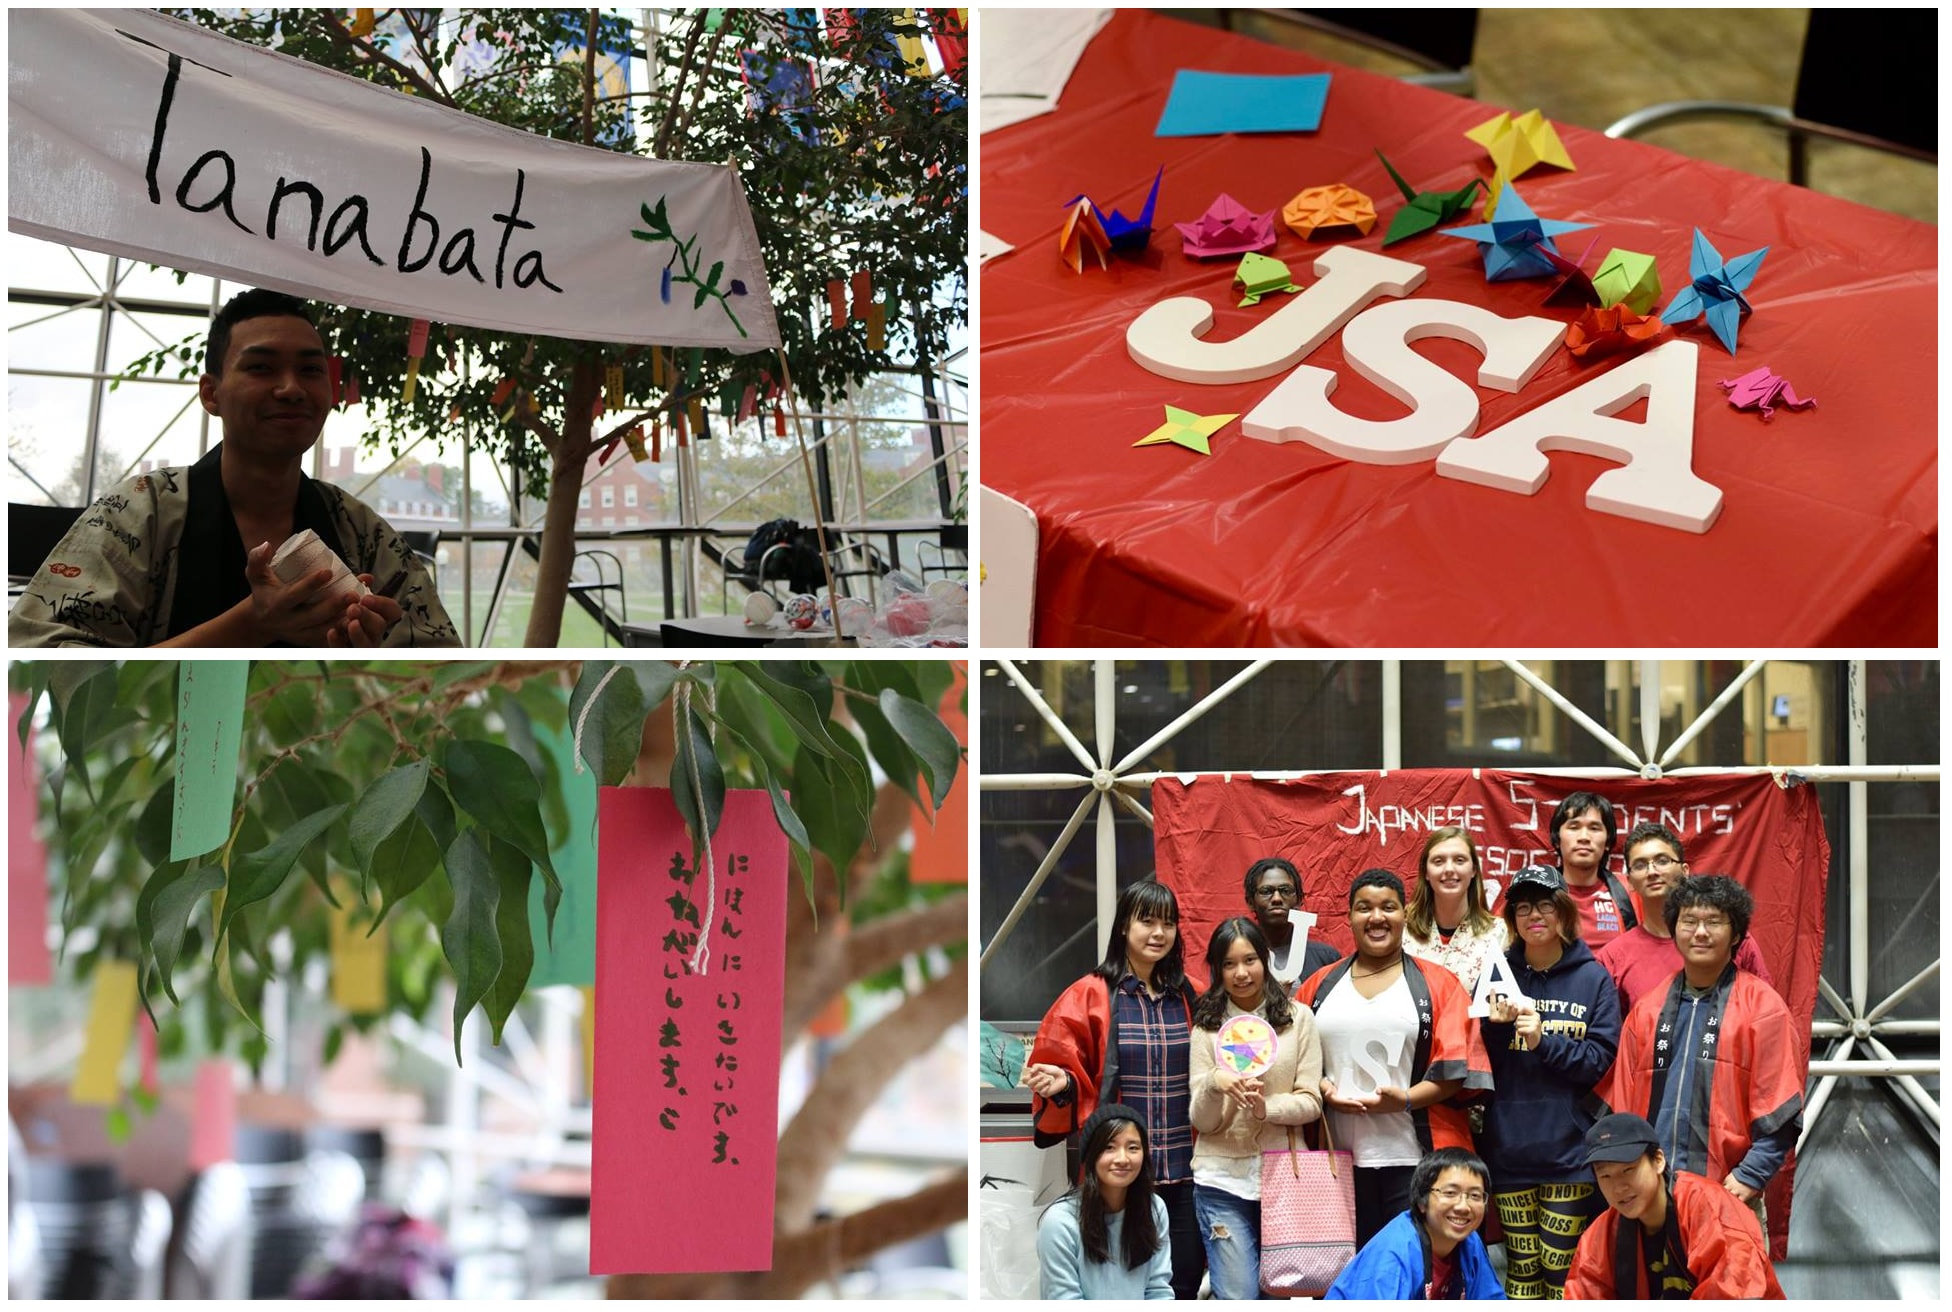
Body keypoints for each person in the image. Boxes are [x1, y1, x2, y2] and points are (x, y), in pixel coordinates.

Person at [10, 288, 458, 647]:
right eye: (261, 368)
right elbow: (37, 663)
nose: (291, 389)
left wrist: (373, 658)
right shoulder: (142, 512)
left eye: (311, 370)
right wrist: (252, 625)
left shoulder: (360, 531)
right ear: (212, 393)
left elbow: (442, 669)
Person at [1024, 880, 1204, 1299]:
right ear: (1124, 926)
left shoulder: (1191, 995)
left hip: (1186, 1172)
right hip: (1117, 1177)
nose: (1158, 933)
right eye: (1146, 921)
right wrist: (1063, 1082)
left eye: (1168, 923)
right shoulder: (1090, 994)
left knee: (1181, 1284)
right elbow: (1067, 1070)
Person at [1297, 870, 1493, 1247]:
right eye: (1364, 908)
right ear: (1349, 917)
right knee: (1348, 1273)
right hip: (1337, 1162)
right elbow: (1297, 1063)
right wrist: (1323, 1089)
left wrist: (1403, 1100)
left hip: (1415, 1160)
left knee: (1416, 1269)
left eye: (1388, 907)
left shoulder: (1438, 983)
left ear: (1405, 913)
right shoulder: (1318, 986)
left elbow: (1456, 1070)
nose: (1376, 917)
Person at [1594, 876, 1803, 1217]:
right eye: (1689, 922)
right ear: (1674, 931)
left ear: (1736, 935)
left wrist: (1749, 1176)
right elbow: (1623, 1111)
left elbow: (1781, 1109)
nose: (1700, 932)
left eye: (1714, 922)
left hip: (1729, 1197)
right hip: (1653, 1203)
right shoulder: (1647, 1010)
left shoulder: (1763, 1008)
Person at [1476, 866, 1622, 1299]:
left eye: (1543, 904)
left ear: (1562, 912)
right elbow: (1481, 1063)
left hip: (1570, 1152)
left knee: (1561, 1265)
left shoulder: (1593, 978)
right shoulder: (1498, 975)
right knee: (1522, 1268)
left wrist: (1543, 1040)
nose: (1533, 915)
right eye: (1522, 907)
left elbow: (1597, 1061)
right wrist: (1499, 1030)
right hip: (1510, 1149)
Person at [1188, 917, 1324, 1299]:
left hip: (1285, 1178)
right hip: (1221, 1179)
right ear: (1217, 970)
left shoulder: (1298, 1021)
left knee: (1287, 1294)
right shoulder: (1206, 1028)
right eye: (1229, 964)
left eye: (1250, 960)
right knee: (1239, 1295)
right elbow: (1201, 1121)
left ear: (1265, 961)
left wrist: (1267, 1107)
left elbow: (1312, 1101)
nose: (1241, 973)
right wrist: (1216, 1083)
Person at [1566, 1113, 1786, 1298]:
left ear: (1658, 1161)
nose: (1618, 1188)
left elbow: (1734, 1294)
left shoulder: (1709, 1207)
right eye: (1605, 1176)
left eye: (1628, 1170)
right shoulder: (1602, 1235)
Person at [1595, 822, 1775, 1015]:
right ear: (1629, 881)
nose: (1652, 872)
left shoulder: (1730, 938)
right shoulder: (1613, 957)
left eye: (1662, 861)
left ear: (1685, 871)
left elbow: (1766, 1013)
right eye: (1640, 865)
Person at [1324, 1147, 1506, 1300]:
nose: (1463, 1206)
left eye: (1475, 1196)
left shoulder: (1469, 1240)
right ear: (1421, 1201)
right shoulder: (1395, 1252)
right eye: (1450, 1193)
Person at [1037, 1103, 1174, 1300]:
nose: (1122, 1158)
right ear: (1091, 1155)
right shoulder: (1060, 1222)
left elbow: (1158, 1290)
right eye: (1109, 1147)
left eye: (1133, 1148)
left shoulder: (1154, 1208)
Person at [1403, 827, 1509, 997]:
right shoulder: (1402, 931)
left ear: (1474, 869)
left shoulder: (1500, 934)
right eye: (1438, 861)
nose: (1449, 869)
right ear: (1426, 873)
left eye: (1459, 860)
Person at [1548, 792, 1637, 947]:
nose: (1584, 837)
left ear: (1608, 842)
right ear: (1557, 839)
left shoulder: (1631, 889)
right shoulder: (1532, 890)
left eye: (1594, 828)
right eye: (1574, 827)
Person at [1242, 857, 1339, 984]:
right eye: (1266, 891)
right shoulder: (1233, 958)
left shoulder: (1326, 958)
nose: (1277, 899)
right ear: (1250, 902)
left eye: (1286, 891)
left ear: (1299, 900)